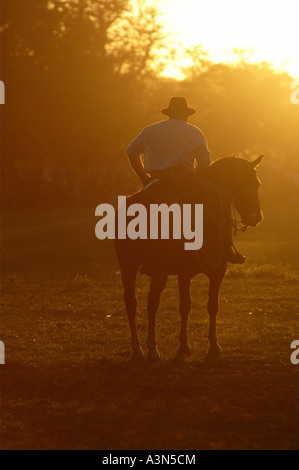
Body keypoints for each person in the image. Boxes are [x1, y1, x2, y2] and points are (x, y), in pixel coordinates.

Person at [126, 97, 245, 264]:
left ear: (169, 113)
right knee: (219, 202)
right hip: (184, 180)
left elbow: (131, 152)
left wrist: (143, 177)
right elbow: (204, 163)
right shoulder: (193, 131)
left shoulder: (150, 130)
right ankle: (227, 249)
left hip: (155, 181)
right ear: (186, 114)